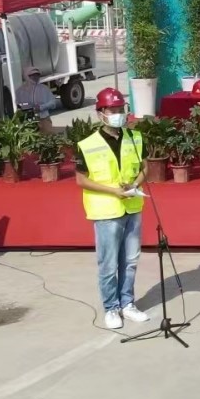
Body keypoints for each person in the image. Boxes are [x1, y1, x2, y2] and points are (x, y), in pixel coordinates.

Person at [74, 88, 150, 330]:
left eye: (120, 110)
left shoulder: (135, 138)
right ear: (101, 113)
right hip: (106, 210)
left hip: (132, 206)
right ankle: (111, 307)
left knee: (130, 260)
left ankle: (128, 303)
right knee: (108, 264)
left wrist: (134, 184)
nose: (118, 114)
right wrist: (112, 191)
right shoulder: (87, 145)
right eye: (112, 110)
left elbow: (145, 168)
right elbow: (81, 180)